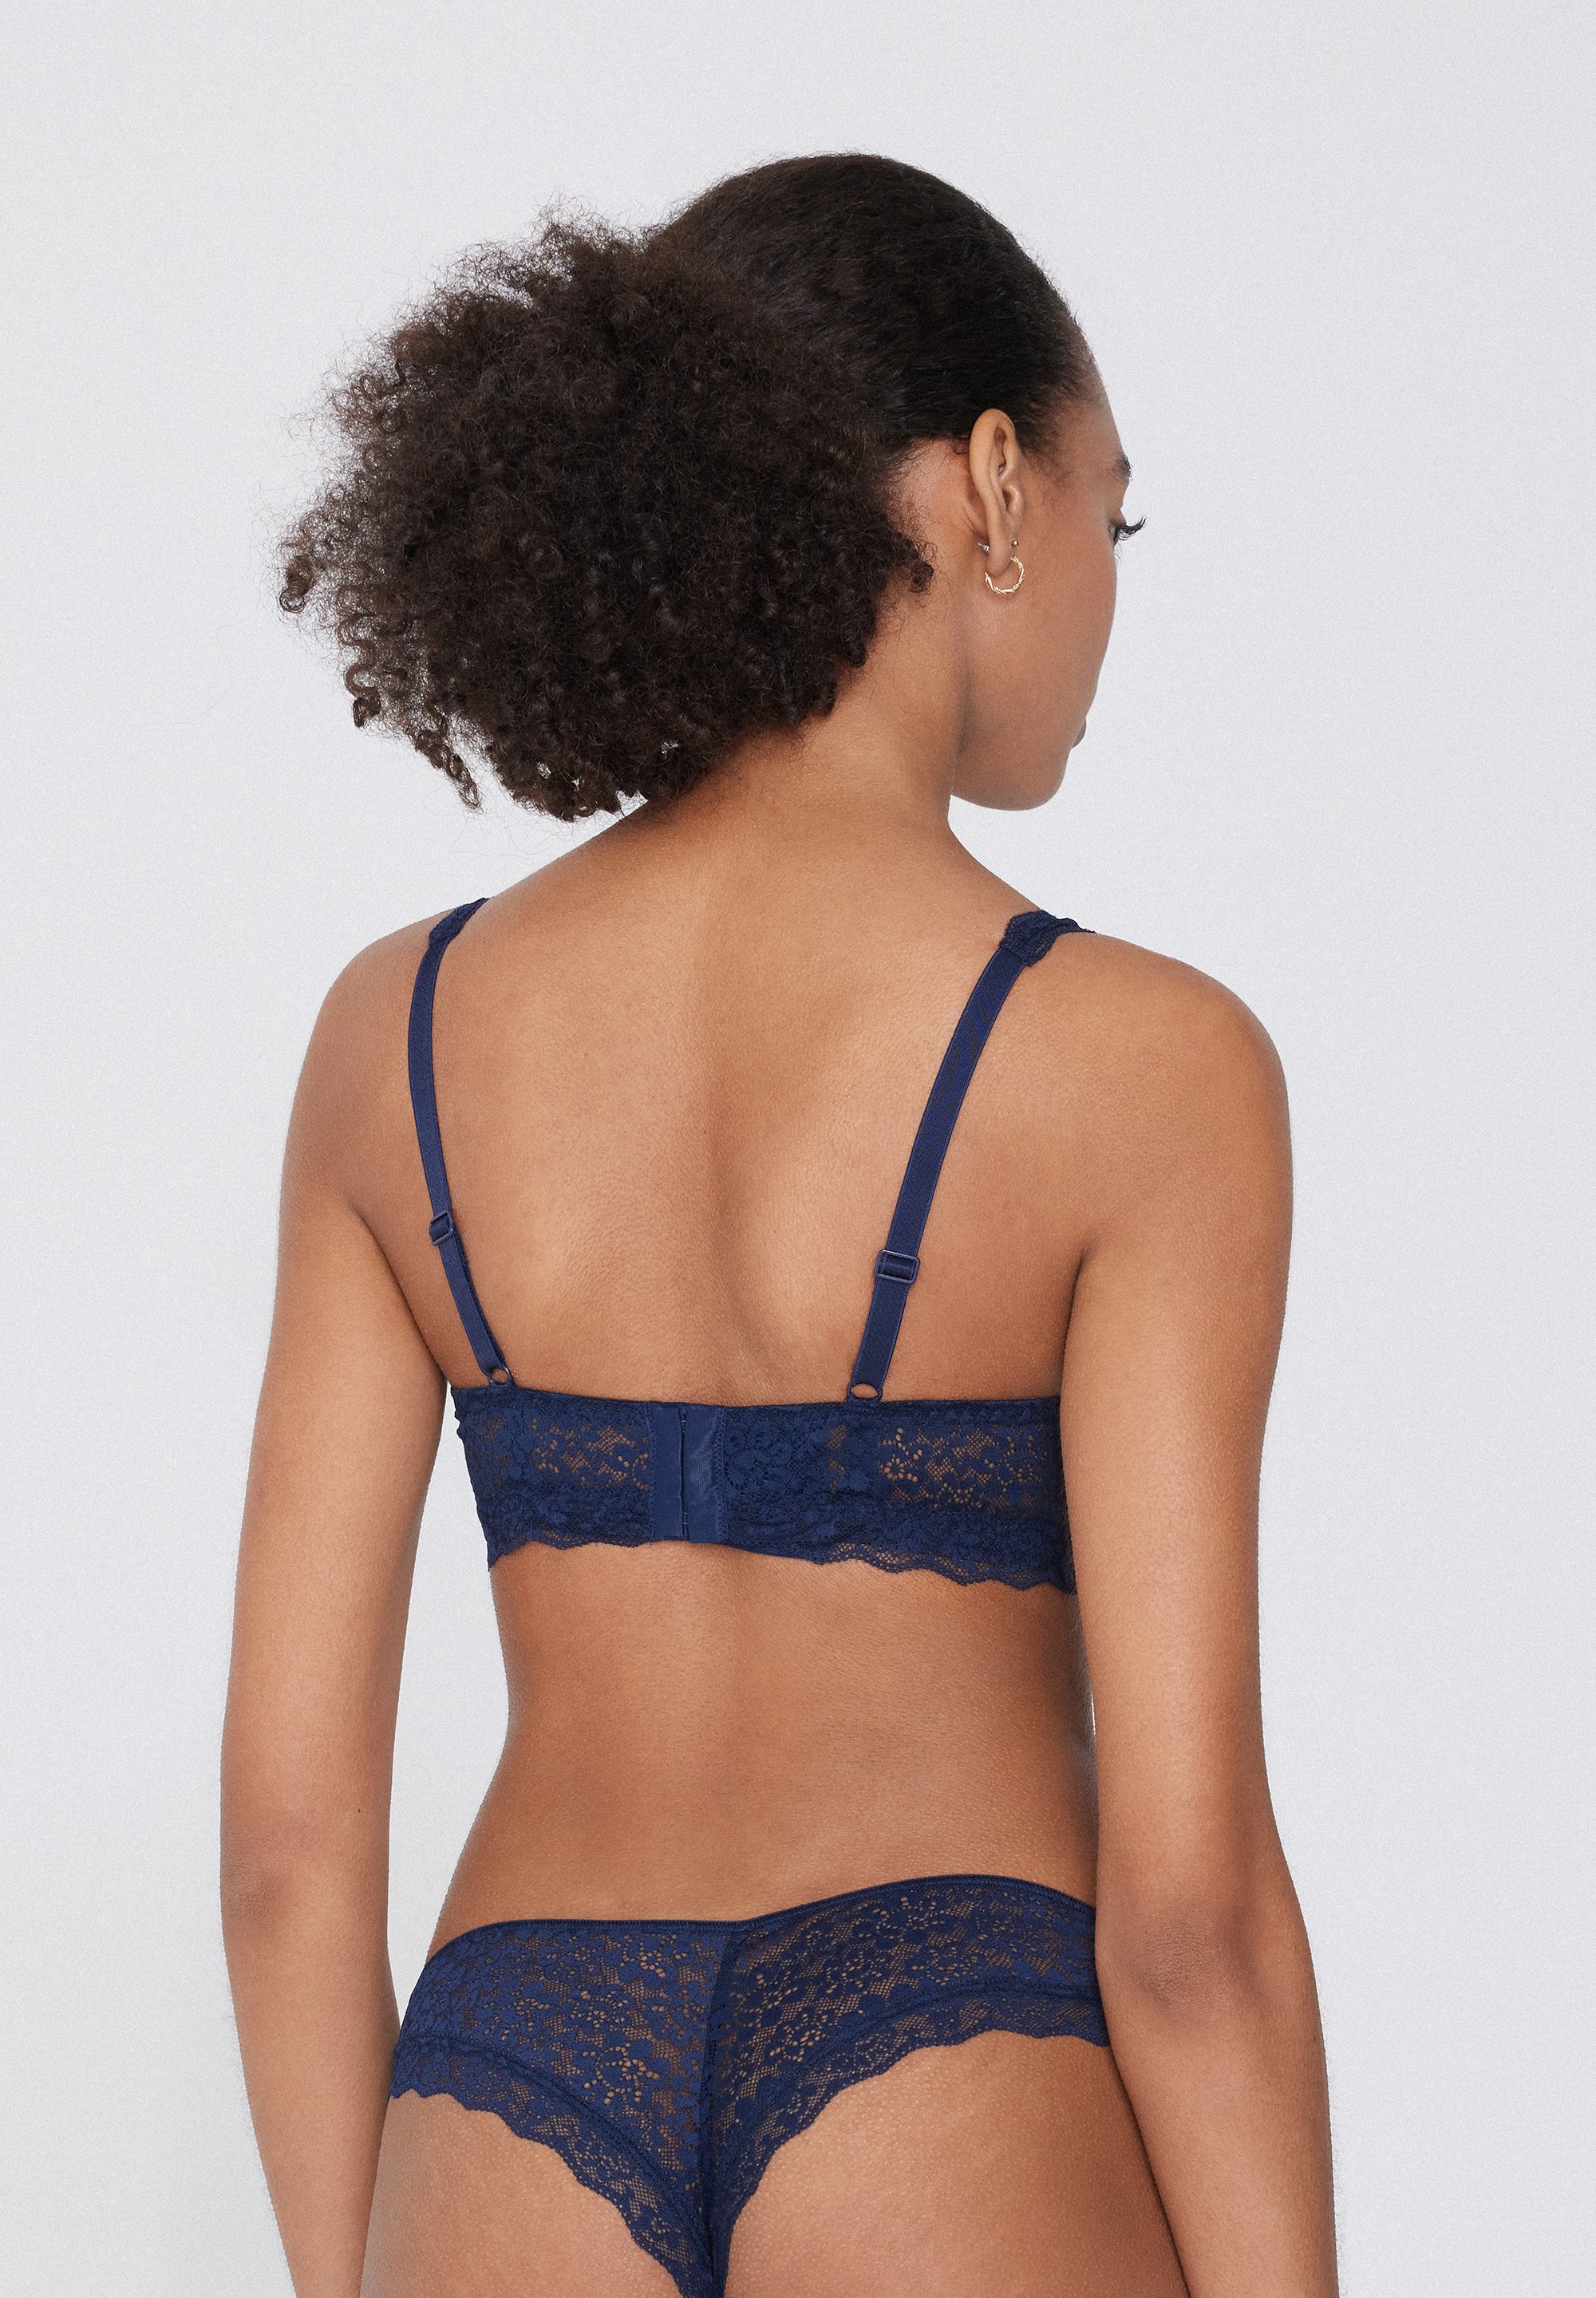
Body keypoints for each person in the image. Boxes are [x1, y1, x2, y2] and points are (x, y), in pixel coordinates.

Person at [222, 153, 1337, 2298]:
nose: (1110, 588)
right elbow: (1190, 1914)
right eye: (1114, 515)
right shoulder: (1147, 1066)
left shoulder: (399, 1034)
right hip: (958, 2062)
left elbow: (285, 1851)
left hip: (510, 2069)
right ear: (994, 484)